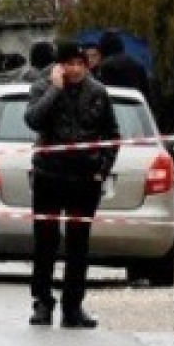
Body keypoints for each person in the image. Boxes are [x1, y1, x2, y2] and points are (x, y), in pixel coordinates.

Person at [24, 40, 121, 329]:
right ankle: (42, 302)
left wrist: (101, 169)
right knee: (46, 242)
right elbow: (32, 120)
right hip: (50, 176)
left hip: (84, 178)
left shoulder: (98, 92)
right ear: (59, 65)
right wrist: (55, 89)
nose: (76, 69)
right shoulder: (43, 88)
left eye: (80, 63)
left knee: (78, 245)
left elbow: (112, 134)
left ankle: (73, 306)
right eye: (70, 63)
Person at [94, 30, 150, 99]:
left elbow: (100, 92)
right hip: (134, 106)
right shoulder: (138, 65)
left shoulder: (106, 66)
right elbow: (147, 93)